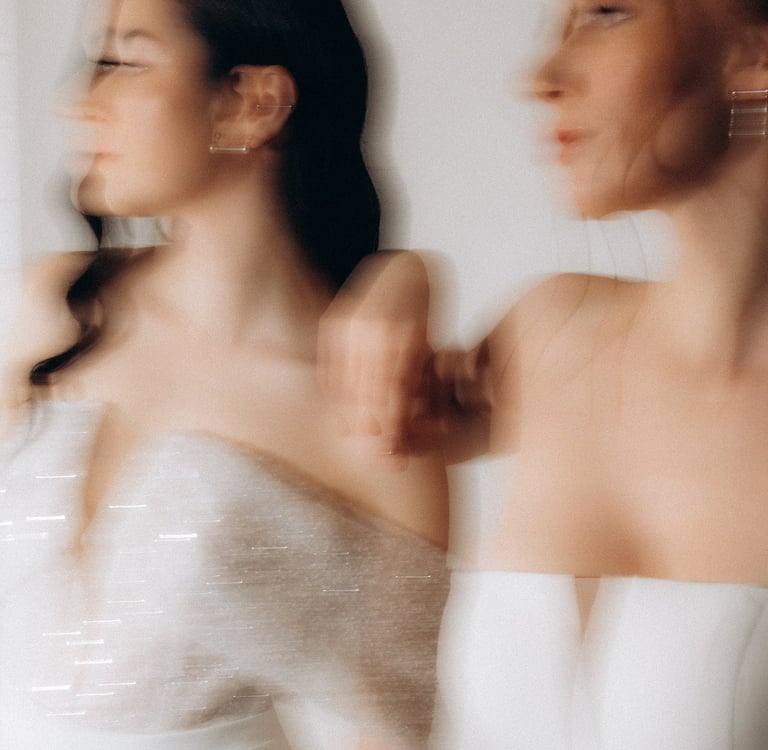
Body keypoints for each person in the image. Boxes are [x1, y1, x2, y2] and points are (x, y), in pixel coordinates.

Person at [0, 1, 449, 748]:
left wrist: (412, 274)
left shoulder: (364, 410)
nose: (76, 102)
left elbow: (394, 730)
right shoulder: (47, 309)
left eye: (122, 62)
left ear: (251, 103)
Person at [321, 1, 768, 747]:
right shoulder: (550, 332)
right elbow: (339, 424)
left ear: (753, 56)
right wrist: (401, 276)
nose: (539, 78)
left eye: (606, 14)